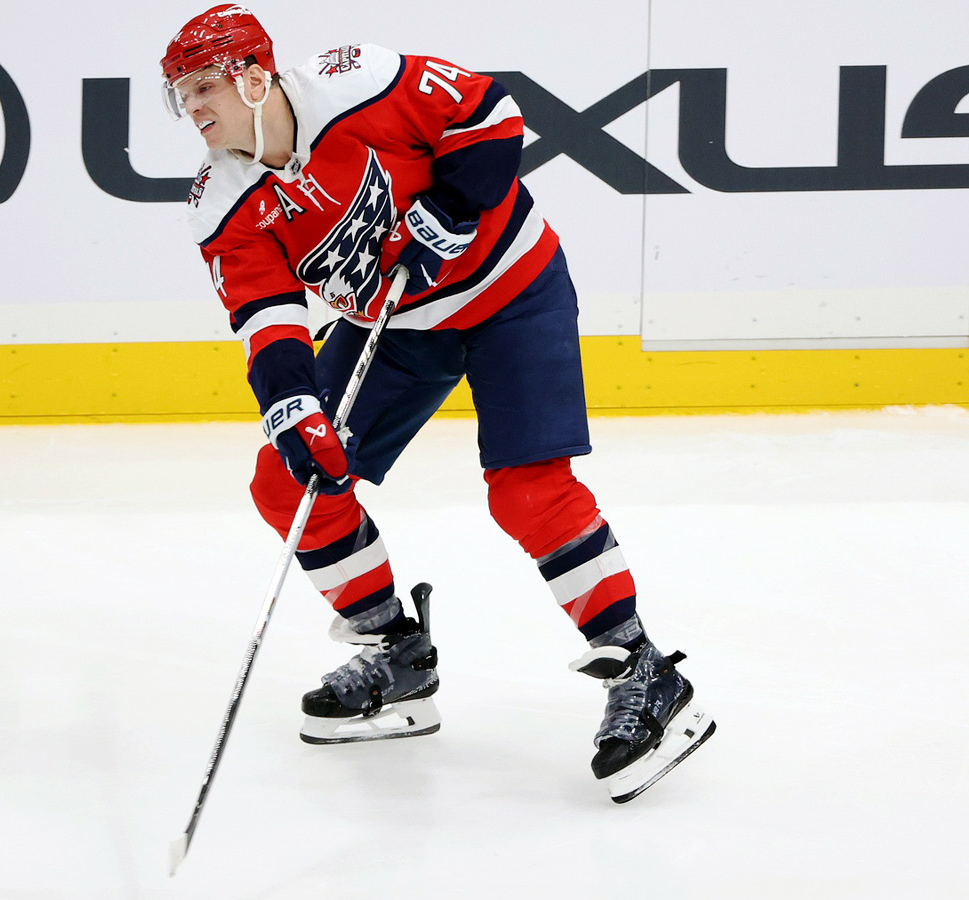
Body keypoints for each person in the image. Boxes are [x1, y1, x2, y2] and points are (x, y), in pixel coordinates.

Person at [161, 4, 715, 802]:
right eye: (182, 94)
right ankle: (397, 655)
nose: (193, 109)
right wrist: (292, 406)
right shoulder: (221, 197)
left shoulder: (357, 82)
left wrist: (455, 208)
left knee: (529, 492)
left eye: (204, 86)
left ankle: (644, 670)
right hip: (394, 327)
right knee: (290, 484)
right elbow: (268, 316)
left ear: (253, 77)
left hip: (510, 291)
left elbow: (493, 114)